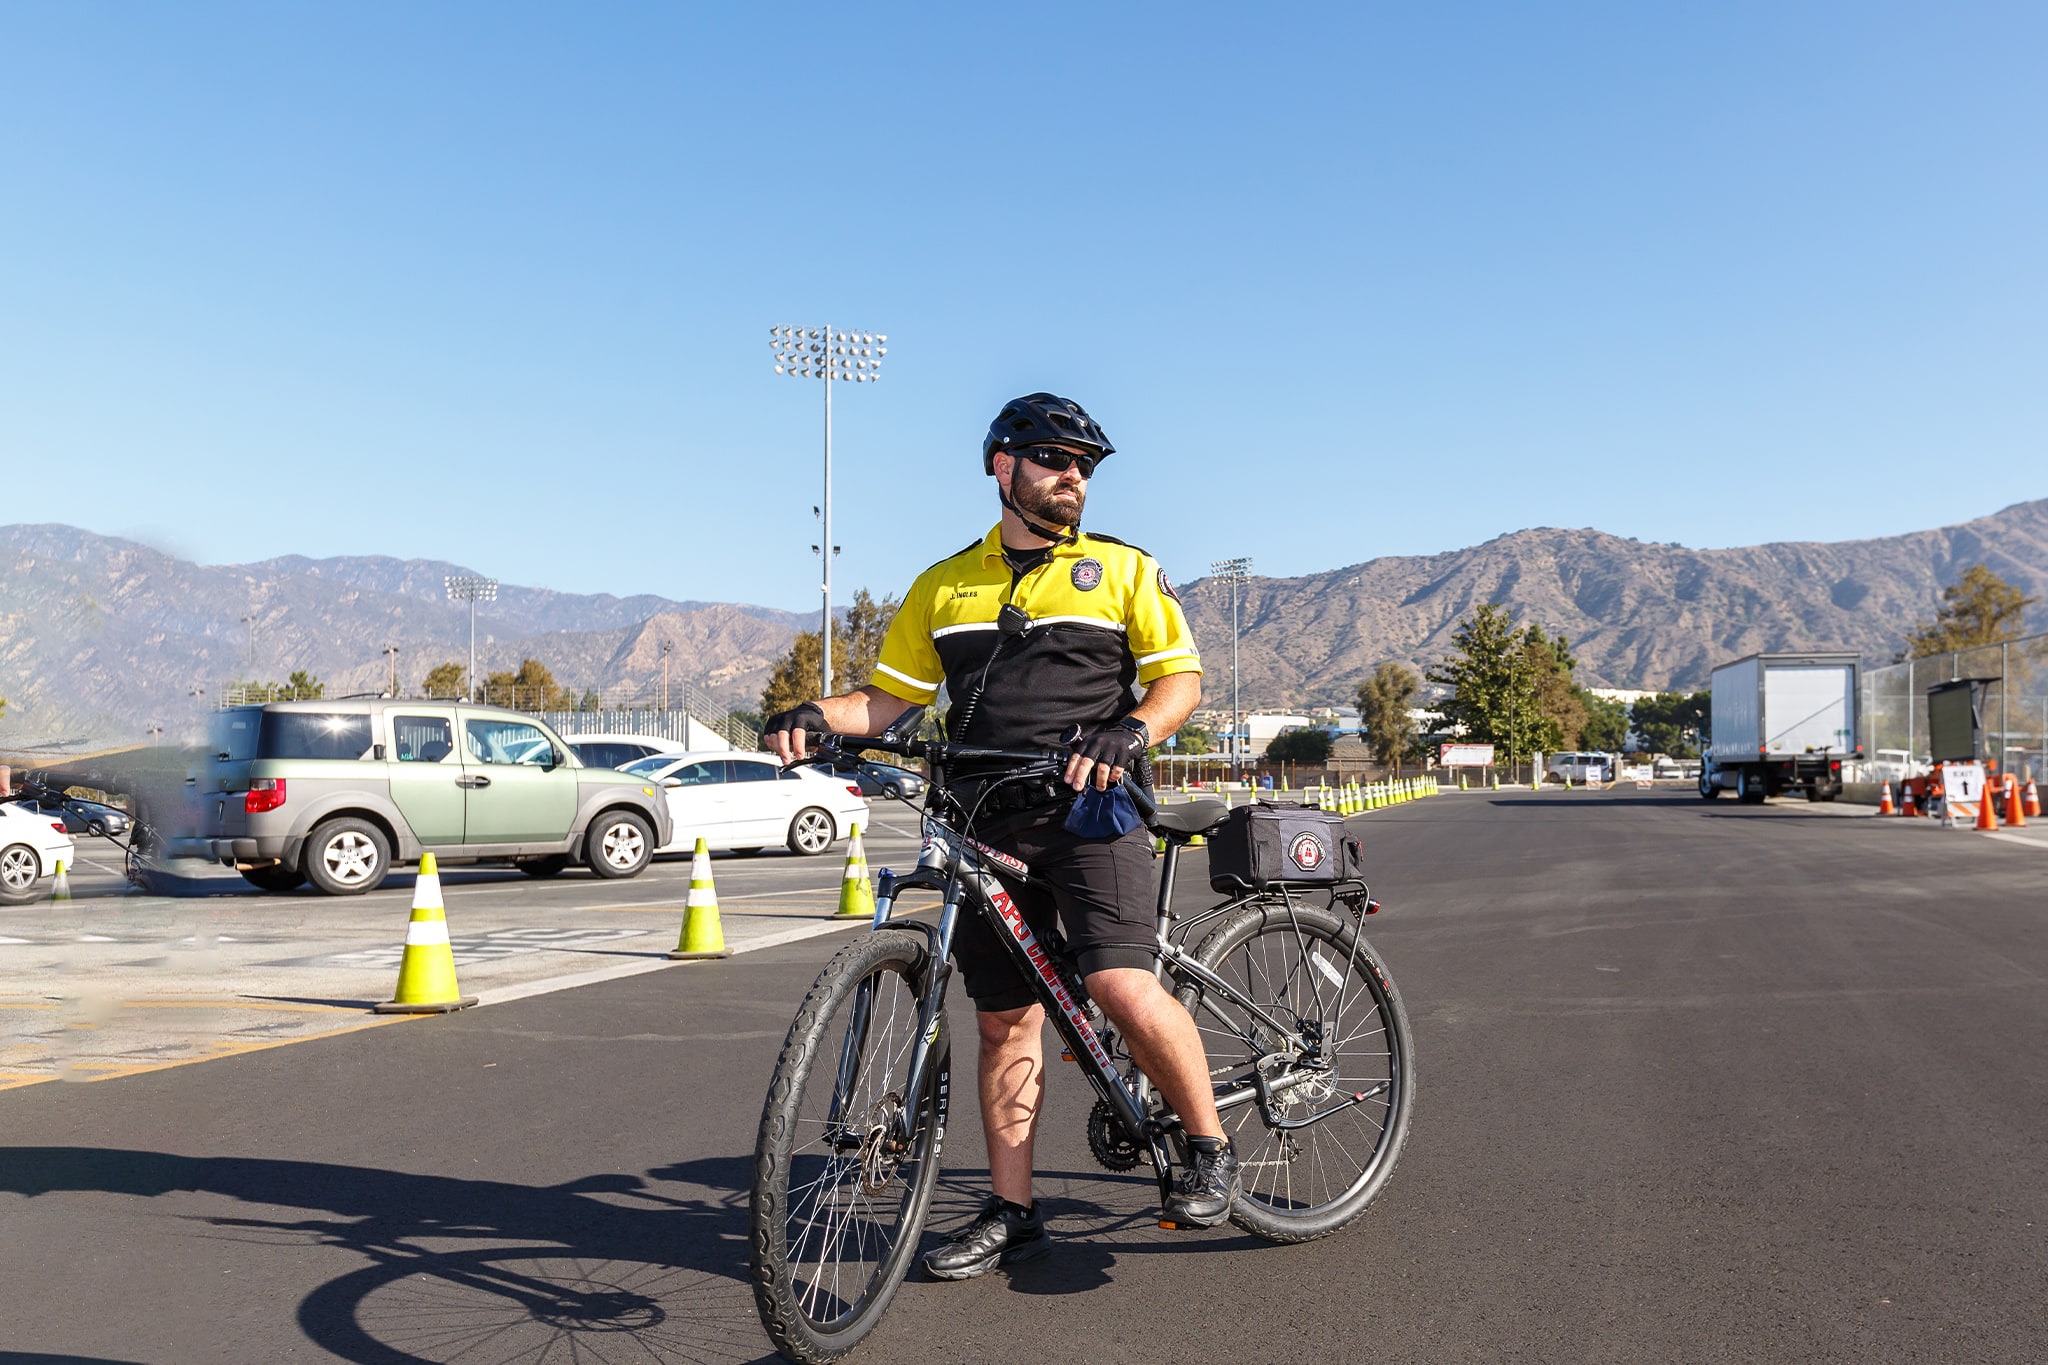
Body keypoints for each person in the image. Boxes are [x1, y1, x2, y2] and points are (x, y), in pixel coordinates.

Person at [762, 392, 1238, 1281]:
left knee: (1119, 984)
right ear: (1002, 465)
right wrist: (814, 715)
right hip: (982, 823)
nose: (1073, 477)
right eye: (1055, 458)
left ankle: (1208, 1147)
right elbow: (886, 700)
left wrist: (1131, 731)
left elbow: (1179, 680)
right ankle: (1014, 1212)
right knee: (1003, 1022)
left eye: (1084, 466)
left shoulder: (1123, 568)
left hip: (1090, 813)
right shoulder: (944, 585)